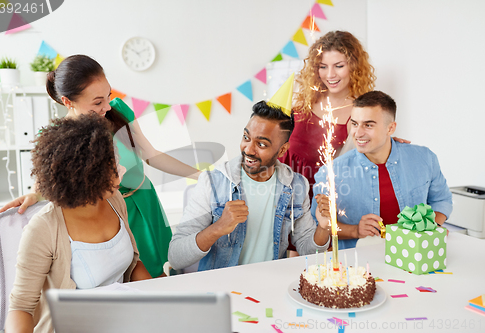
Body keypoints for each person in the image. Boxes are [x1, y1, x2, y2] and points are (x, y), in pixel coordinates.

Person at [0, 55, 201, 277]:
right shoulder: (58, 137)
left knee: (159, 274)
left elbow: (151, 155)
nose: (106, 106)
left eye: (108, 96)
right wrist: (34, 196)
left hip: (145, 202)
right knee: (125, 279)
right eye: (97, 102)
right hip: (109, 214)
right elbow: (47, 183)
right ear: (68, 101)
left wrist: (199, 174)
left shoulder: (118, 112)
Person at [5, 114, 152, 333]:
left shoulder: (115, 200)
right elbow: (21, 308)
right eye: (114, 165)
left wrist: (159, 299)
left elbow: (134, 265)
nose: (121, 170)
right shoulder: (43, 229)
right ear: (89, 175)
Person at [168, 101, 330, 271]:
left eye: (261, 144)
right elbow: (176, 257)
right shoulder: (212, 182)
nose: (248, 149)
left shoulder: (296, 185)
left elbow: (309, 251)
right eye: (246, 137)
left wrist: (323, 228)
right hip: (221, 288)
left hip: (268, 284)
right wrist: (218, 228)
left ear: (282, 151)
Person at [311, 91, 453, 249]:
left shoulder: (424, 158)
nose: (357, 133)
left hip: (416, 256)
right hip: (360, 265)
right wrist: (355, 230)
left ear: (390, 128)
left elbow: (442, 201)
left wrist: (429, 229)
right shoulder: (331, 172)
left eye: (368, 125)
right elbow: (318, 226)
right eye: (355, 123)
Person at [278, 31, 377, 200]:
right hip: (282, 195)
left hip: (322, 201)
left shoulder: (360, 113)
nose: (330, 75)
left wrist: (389, 142)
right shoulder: (302, 102)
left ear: (354, 66)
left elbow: (367, 158)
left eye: (339, 66)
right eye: (323, 67)